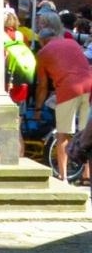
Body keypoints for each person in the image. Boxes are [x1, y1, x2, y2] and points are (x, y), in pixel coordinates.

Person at [32, 10, 92, 182]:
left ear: (43, 41)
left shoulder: (42, 54)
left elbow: (42, 87)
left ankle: (63, 176)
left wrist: (37, 109)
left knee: (63, 134)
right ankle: (87, 175)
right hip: (89, 86)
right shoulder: (71, 43)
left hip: (69, 89)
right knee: (85, 133)